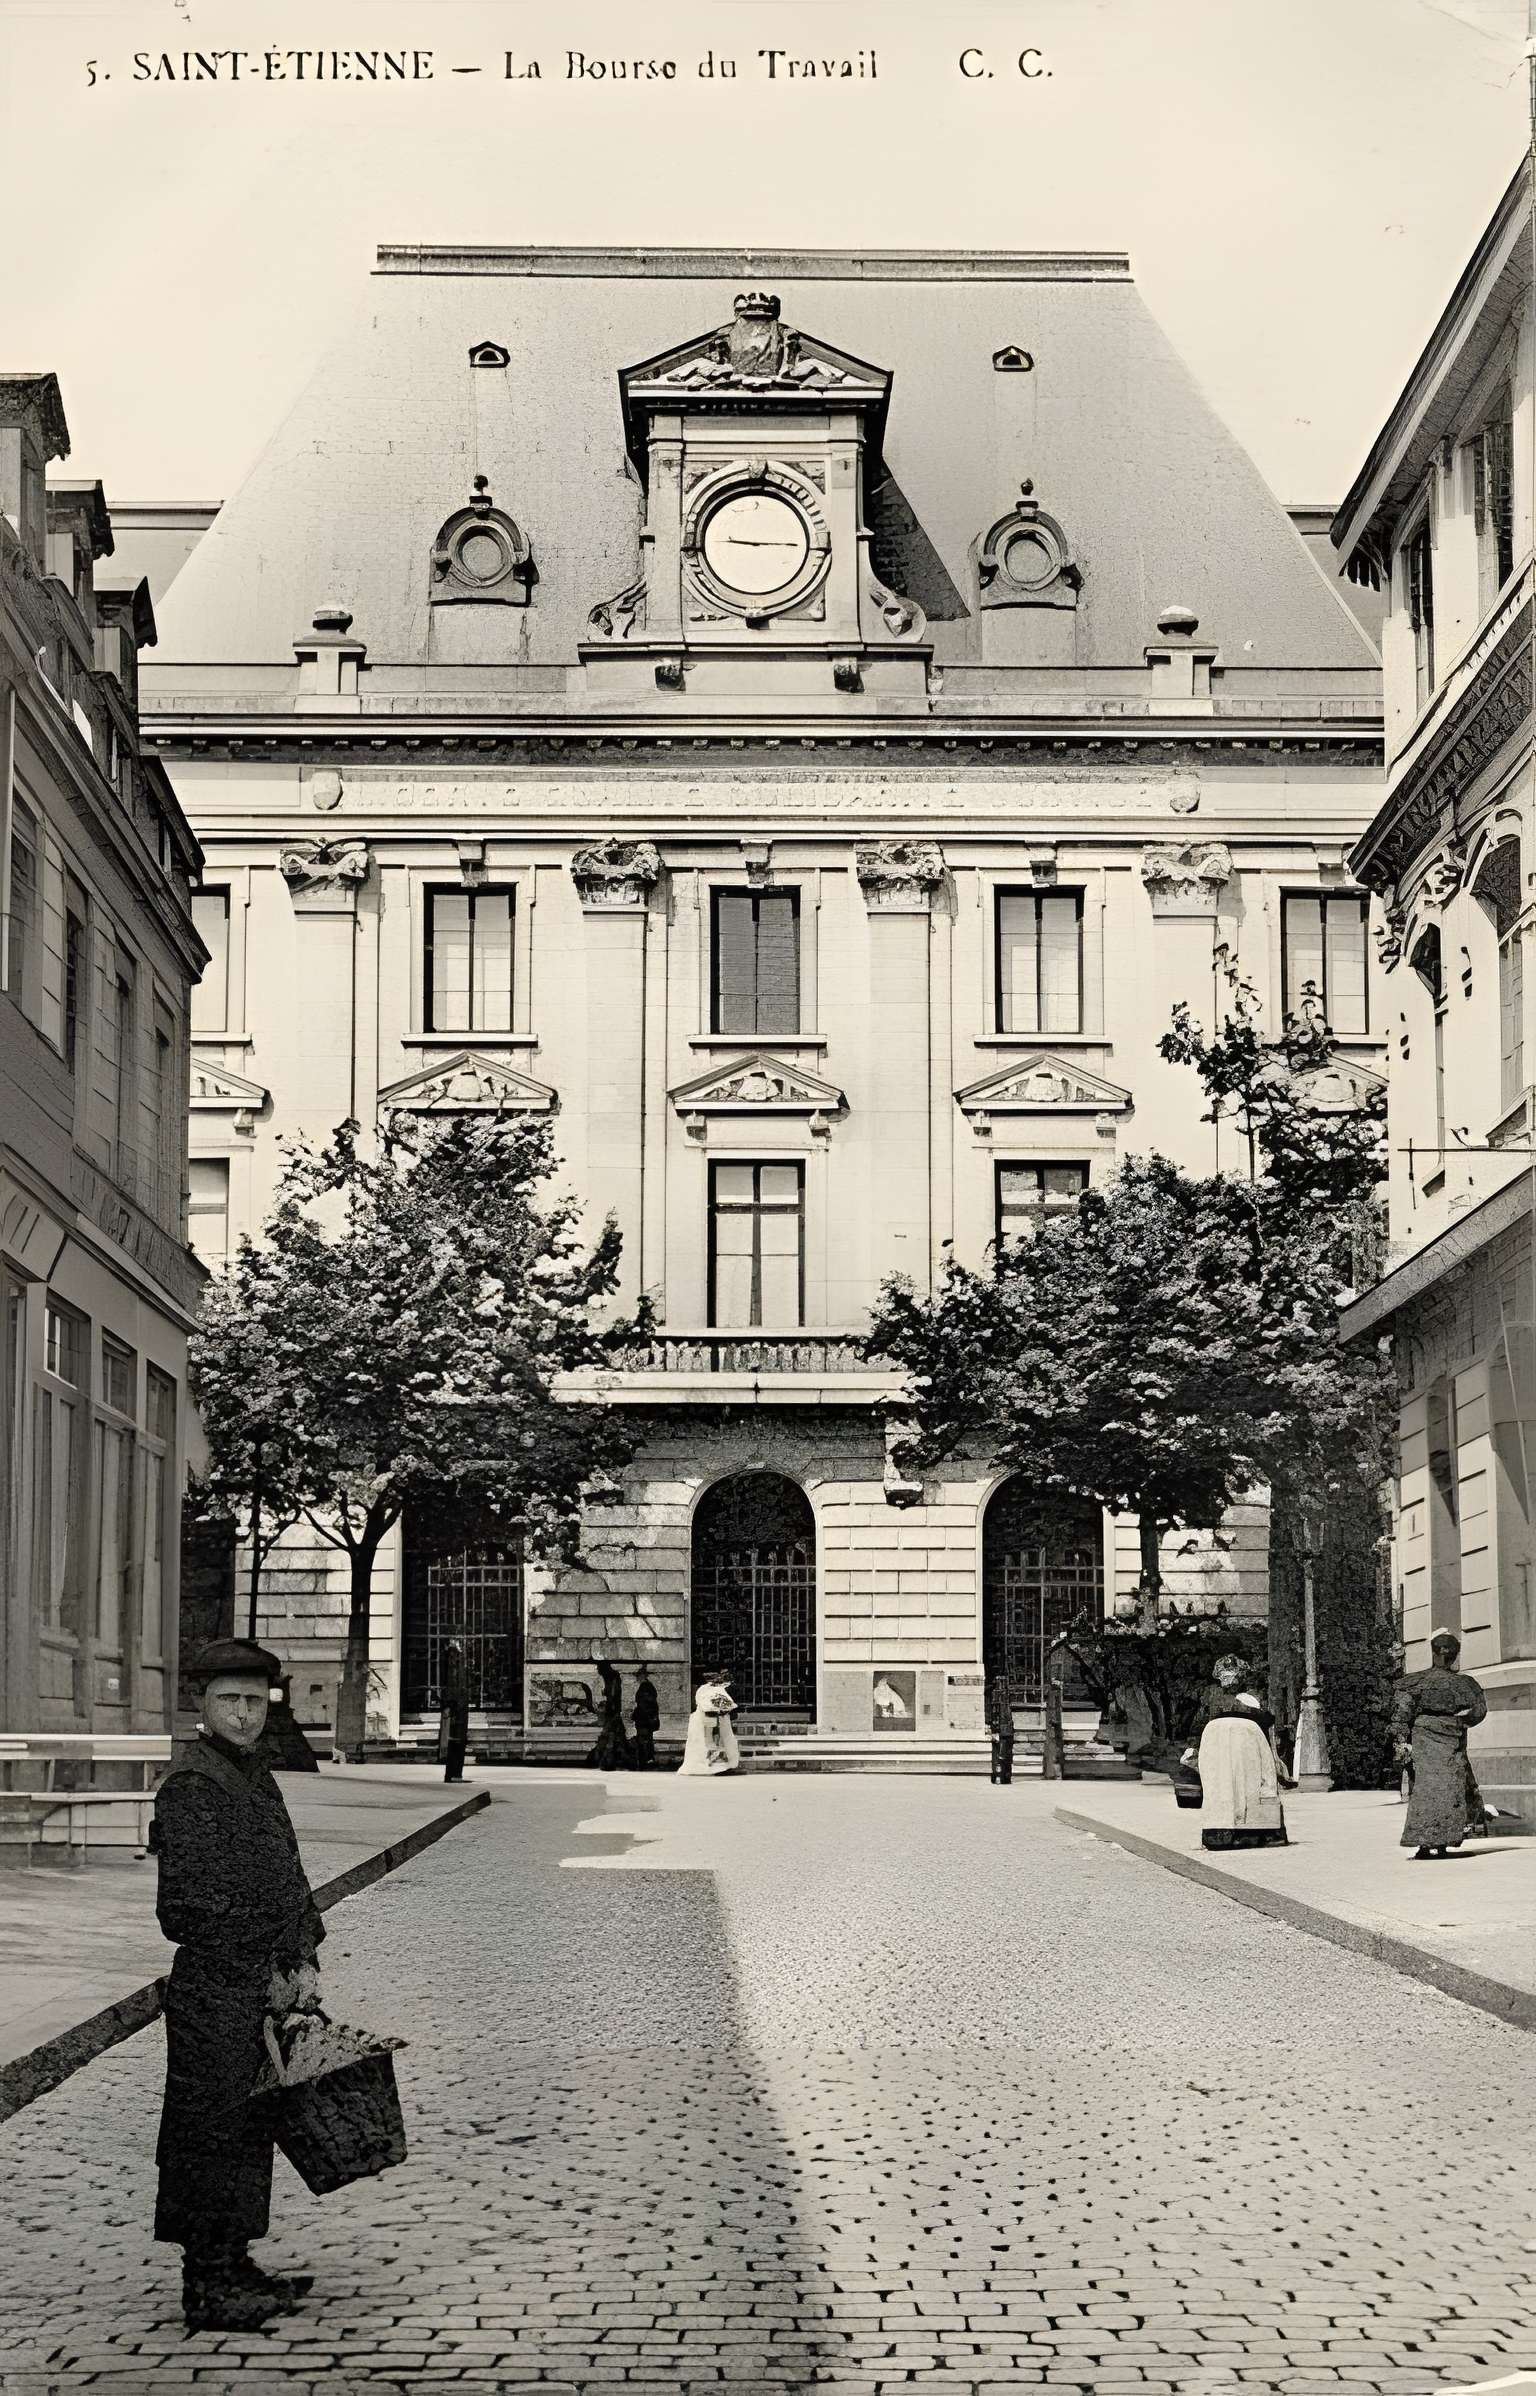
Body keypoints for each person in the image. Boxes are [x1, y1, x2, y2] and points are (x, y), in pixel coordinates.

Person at [150, 1638, 325, 2332]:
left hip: (260, 1986)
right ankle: (206, 2282)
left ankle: (238, 2261)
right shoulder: (192, 1786)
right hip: (214, 1990)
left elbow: (288, 1871)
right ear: (204, 1704)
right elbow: (183, 1909)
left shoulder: (255, 1774)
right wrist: (265, 1954)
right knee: (208, 2136)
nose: (245, 1715)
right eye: (231, 1701)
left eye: (255, 1702)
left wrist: (303, 1955)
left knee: (251, 2129)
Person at [1394, 1629, 1488, 1858]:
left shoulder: (1416, 1682)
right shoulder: (1464, 1684)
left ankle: (1423, 1844)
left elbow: (1401, 1713)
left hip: (1424, 1736)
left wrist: (1401, 1741)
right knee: (1449, 1789)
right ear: (1455, 1656)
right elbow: (1479, 1711)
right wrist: (1461, 1722)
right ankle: (1443, 1842)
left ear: (1433, 1654)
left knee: (1425, 1789)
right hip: (1450, 1737)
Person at [1184, 1656, 1289, 1852]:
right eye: (1225, 1675)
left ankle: (1230, 1831)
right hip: (1235, 1742)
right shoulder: (1246, 1698)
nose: (1228, 1679)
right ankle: (1253, 1832)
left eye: (1230, 1675)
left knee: (1234, 1785)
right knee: (1235, 1785)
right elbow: (1267, 1721)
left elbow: (1197, 1725)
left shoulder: (1218, 1698)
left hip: (1231, 1743)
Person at [679, 1667, 741, 1777]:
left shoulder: (719, 1690)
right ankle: (706, 1764)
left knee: (722, 1740)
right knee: (707, 1741)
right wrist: (712, 1708)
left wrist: (723, 1708)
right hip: (705, 1718)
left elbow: (727, 1701)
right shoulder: (703, 1690)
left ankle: (724, 1765)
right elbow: (701, 1703)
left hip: (720, 1718)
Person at [586, 1658, 635, 1769]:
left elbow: (613, 1697)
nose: (597, 1669)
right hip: (613, 1714)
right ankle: (609, 1760)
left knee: (609, 1738)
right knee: (614, 1738)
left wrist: (612, 1712)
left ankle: (607, 1761)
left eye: (598, 1667)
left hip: (613, 1714)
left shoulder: (611, 1677)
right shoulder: (610, 1677)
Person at [437, 1639, 469, 1783]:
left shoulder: (453, 1669)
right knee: (455, 1743)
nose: (455, 1658)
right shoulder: (452, 1671)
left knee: (455, 1743)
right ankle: (454, 1774)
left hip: (455, 1710)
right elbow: (453, 1691)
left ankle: (453, 1774)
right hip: (456, 1710)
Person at [986, 1674, 1015, 1785]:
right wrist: (994, 1730)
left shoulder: (1006, 1698)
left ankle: (1005, 1777)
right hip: (1001, 1731)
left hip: (1007, 1731)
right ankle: (999, 1777)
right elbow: (995, 1715)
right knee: (1000, 1756)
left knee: (1005, 1756)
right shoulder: (996, 1696)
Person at [632, 1666, 661, 1770]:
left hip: (644, 1719)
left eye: (638, 1676)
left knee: (644, 1739)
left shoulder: (645, 1687)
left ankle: (645, 1760)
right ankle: (648, 1759)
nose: (636, 1678)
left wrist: (638, 1714)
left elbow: (645, 1705)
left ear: (642, 1676)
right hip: (647, 1719)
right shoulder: (647, 1687)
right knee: (647, 1739)